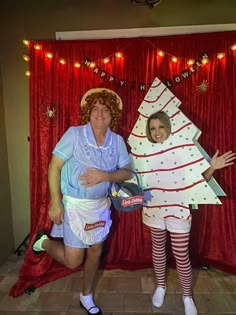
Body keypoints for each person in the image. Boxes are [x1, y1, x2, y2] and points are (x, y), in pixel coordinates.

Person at [32, 88, 132, 315]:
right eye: (95, 109)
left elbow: (127, 172)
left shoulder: (117, 141)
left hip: (100, 207)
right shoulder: (74, 134)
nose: (99, 114)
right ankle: (44, 242)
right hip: (75, 206)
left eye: (105, 110)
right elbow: (54, 166)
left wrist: (105, 175)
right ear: (88, 112)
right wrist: (55, 202)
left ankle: (86, 296)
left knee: (96, 250)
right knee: (73, 261)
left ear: (112, 114)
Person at [144, 111, 236, 315]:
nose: (157, 132)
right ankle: (161, 286)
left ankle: (187, 296)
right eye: (152, 128)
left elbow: (197, 178)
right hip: (154, 209)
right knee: (158, 250)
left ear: (168, 127)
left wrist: (212, 168)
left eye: (160, 127)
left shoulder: (183, 150)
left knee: (180, 254)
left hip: (178, 210)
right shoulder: (145, 152)